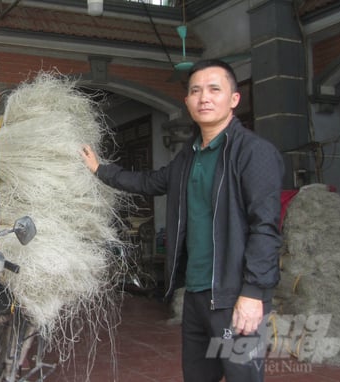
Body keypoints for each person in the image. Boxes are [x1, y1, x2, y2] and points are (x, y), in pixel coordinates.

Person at [81, 59, 284, 382]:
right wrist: (100, 170)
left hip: (235, 296)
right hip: (197, 295)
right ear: (188, 101)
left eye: (214, 89)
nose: (204, 97)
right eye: (195, 91)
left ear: (234, 99)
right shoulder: (187, 159)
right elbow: (148, 182)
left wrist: (253, 293)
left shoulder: (252, 152)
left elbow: (266, 228)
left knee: (242, 377)